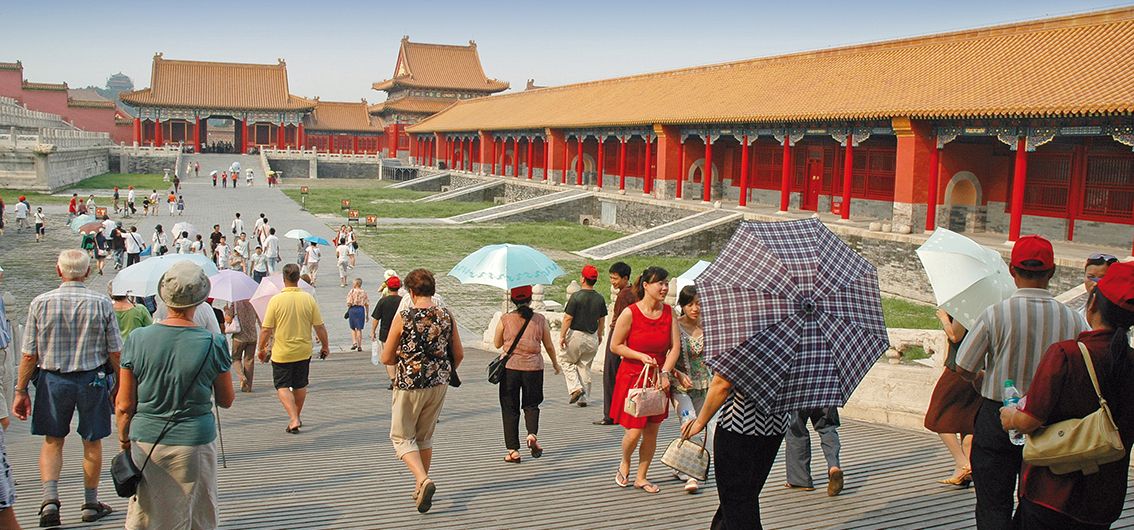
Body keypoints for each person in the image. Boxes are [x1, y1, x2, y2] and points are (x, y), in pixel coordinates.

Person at [956, 234, 1088, 529]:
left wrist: (981, 378)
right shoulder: (1074, 320)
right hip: (1051, 421)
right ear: (1052, 272)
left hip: (997, 416)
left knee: (993, 504)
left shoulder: (995, 314)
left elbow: (963, 366)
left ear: (1012, 271)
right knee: (1041, 505)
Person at [1000, 261, 1134, 529]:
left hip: (1052, 492)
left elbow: (1029, 420)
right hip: (1102, 497)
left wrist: (1010, 416)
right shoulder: (1129, 361)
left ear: (1092, 303)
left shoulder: (1067, 354)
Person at [116, 261, 234, 529]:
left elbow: (124, 404)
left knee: (148, 513)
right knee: (196, 514)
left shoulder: (137, 339)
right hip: (195, 441)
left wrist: (124, 441)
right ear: (201, 299)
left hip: (146, 440)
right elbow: (226, 399)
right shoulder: (213, 343)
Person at [12, 250, 121, 526]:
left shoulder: (40, 302)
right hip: (93, 379)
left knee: (52, 441)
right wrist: (121, 384)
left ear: (58, 271)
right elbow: (115, 351)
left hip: (52, 380)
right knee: (92, 441)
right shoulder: (102, 303)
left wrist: (21, 390)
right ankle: (90, 503)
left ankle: (50, 501)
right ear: (87, 273)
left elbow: (28, 354)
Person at [380, 268, 463, 513]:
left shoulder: (404, 316)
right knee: (424, 437)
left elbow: (387, 357)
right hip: (438, 383)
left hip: (410, 383)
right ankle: (420, 486)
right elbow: (458, 354)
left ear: (412, 292)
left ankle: (423, 480)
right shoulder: (446, 314)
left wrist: (403, 356)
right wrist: (442, 370)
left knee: (401, 437)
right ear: (433, 289)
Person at [608, 266, 686, 494]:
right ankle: (625, 460)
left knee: (652, 430)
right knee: (633, 431)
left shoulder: (669, 312)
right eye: (659, 283)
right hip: (632, 376)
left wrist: (665, 373)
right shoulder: (631, 312)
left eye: (666, 283)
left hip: (657, 378)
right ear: (645, 285)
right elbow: (615, 345)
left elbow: (674, 348)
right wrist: (639, 355)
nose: (664, 288)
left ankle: (642, 477)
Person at [682, 371, 790, 529]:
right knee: (743, 498)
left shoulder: (743, 345)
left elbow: (722, 384)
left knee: (737, 501)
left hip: (740, 424)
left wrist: (699, 422)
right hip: (776, 425)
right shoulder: (789, 346)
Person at [257, 263, 330, 433]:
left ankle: (293, 417)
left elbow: (266, 329)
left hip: (282, 352)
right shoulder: (308, 298)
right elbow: (319, 326)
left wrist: (261, 348)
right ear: (298, 278)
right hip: (303, 350)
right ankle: (296, 416)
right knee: (300, 385)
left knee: (282, 386)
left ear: (284, 279)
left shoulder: (276, 300)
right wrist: (325, 346)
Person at [493, 285, 561, 463]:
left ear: (513, 300)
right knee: (531, 405)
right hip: (534, 369)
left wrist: (508, 327)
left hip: (511, 369)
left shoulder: (505, 318)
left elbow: (497, 344)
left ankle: (513, 450)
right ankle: (531, 434)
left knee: (510, 408)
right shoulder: (540, 319)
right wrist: (555, 364)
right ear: (531, 299)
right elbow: (548, 345)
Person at [923, 308, 980, 487]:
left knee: (937, 416)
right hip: (978, 368)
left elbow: (955, 335)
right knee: (968, 421)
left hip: (959, 369)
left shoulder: (964, 305)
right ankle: (964, 470)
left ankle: (962, 463)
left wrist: (944, 318)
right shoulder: (987, 307)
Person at [670, 285, 713, 493]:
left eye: (698, 304)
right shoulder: (675, 326)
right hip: (680, 385)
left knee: (708, 429)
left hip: (706, 384)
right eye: (690, 304)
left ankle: (680, 463)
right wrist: (677, 373)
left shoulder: (709, 326)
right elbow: (667, 353)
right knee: (689, 422)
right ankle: (691, 475)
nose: (695, 308)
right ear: (682, 306)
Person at [559, 264, 607, 407]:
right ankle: (584, 398)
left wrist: (562, 335)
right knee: (584, 366)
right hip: (592, 336)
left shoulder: (576, 297)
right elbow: (602, 319)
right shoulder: (599, 298)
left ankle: (576, 388)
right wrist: (599, 334)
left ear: (582, 279)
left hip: (576, 335)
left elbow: (568, 318)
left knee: (566, 361)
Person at [597, 262, 636, 425]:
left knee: (610, 374)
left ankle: (610, 415)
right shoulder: (633, 292)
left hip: (618, 334)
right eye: (611, 278)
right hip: (629, 335)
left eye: (615, 278)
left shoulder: (624, 295)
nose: (612, 282)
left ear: (625, 278)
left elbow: (620, 320)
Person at [785, 407, 844, 496]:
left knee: (796, 432)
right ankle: (834, 467)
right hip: (825, 395)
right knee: (828, 428)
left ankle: (800, 480)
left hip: (799, 397)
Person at [371, 275, 403, 389]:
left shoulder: (383, 301)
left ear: (388, 288)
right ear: (399, 287)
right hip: (401, 333)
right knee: (400, 356)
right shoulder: (402, 301)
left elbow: (376, 318)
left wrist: (372, 331)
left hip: (386, 332)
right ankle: (400, 378)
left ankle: (393, 380)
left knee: (389, 357)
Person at [225, 299, 260, 392]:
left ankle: (242, 377)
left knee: (235, 358)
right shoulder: (254, 302)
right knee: (249, 361)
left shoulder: (235, 303)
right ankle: (247, 387)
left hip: (239, 337)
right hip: (252, 336)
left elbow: (228, 320)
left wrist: (226, 310)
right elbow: (259, 319)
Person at [346, 278, 370, 351]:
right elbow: (367, 304)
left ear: (356, 284)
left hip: (353, 309)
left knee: (353, 327)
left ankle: (354, 343)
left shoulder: (352, 291)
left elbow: (349, 303)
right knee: (359, 328)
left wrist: (349, 307)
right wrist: (367, 314)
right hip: (361, 310)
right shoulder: (364, 292)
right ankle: (359, 345)